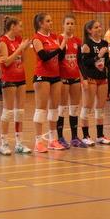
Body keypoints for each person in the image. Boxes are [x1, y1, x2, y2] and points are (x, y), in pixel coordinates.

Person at [32, 12, 66, 153]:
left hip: (55, 75)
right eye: (48, 21)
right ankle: (38, 142)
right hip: (42, 75)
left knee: (54, 109)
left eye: (51, 20)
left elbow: (60, 57)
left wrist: (63, 46)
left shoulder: (54, 37)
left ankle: (53, 140)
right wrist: (59, 48)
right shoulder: (37, 38)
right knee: (41, 109)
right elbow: (44, 57)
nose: (51, 23)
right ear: (40, 23)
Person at [79, 20, 110, 146]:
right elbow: (84, 63)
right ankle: (85, 136)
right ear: (89, 30)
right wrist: (98, 56)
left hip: (102, 78)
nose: (99, 28)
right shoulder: (86, 44)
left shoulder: (104, 43)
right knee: (87, 107)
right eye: (96, 27)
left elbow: (107, 62)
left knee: (100, 108)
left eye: (100, 26)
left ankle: (100, 136)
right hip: (91, 78)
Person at [0, 16, 31, 154]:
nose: (21, 29)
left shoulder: (18, 39)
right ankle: (4, 143)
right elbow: (6, 61)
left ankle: (19, 143)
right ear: (12, 26)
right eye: (20, 26)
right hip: (9, 78)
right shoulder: (3, 41)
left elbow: (22, 60)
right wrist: (19, 49)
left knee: (20, 112)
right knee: (8, 112)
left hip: (20, 77)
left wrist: (24, 49)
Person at [57, 14, 86, 148]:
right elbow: (57, 59)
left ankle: (74, 137)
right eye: (67, 23)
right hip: (63, 78)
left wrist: (83, 78)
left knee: (74, 108)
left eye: (72, 23)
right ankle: (60, 137)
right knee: (62, 108)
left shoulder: (78, 41)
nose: (70, 26)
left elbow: (79, 62)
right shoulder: (59, 39)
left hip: (75, 78)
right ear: (63, 25)